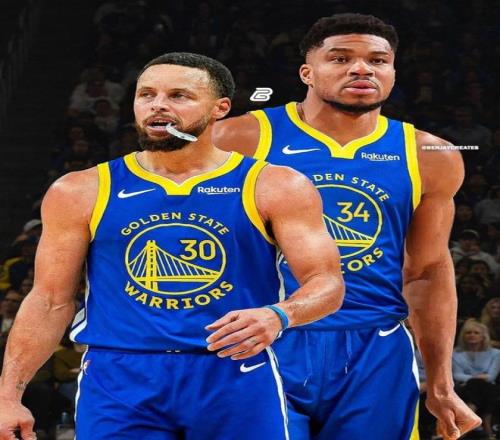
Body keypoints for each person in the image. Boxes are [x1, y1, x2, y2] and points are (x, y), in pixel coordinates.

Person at [0, 52, 345, 440]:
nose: (158, 105)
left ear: (220, 109)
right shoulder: (80, 190)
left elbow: (327, 283)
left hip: (234, 371)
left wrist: (279, 315)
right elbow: (49, 301)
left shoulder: (276, 185)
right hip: (120, 379)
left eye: (179, 96)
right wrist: (7, 396)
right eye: (146, 94)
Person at [213, 13, 481, 440]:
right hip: (264, 338)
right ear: (307, 72)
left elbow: (427, 271)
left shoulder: (430, 155)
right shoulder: (237, 140)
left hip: (376, 350)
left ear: (392, 72)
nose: (361, 69)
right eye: (340, 59)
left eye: (377, 61)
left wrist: (441, 383)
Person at [452, 319, 500, 439]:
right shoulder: (456, 354)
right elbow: (457, 375)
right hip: (465, 387)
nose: (472, 335)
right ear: (463, 336)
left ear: (483, 336)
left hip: (489, 387)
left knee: (478, 385)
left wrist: (472, 378)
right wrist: (478, 377)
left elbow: (491, 376)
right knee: (475, 384)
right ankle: (487, 426)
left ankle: (469, 416)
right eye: (468, 332)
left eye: (476, 333)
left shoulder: (496, 353)